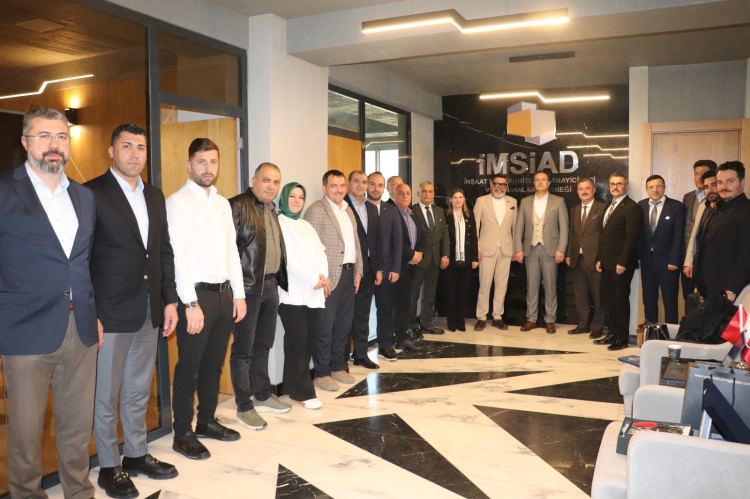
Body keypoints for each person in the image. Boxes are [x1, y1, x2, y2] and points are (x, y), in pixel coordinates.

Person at [0, 107, 99, 499]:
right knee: (25, 433)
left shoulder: (84, 196)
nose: (53, 144)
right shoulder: (4, 191)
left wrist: (95, 313)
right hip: (24, 330)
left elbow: (85, 261)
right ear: (25, 142)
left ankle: (79, 491)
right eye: (43, 136)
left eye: (61, 136)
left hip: (81, 327)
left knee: (77, 425)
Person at [87, 124, 179, 497]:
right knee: (106, 394)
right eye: (126, 146)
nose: (135, 153)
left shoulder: (154, 195)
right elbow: (83, 257)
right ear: (112, 151)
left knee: (139, 389)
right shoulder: (92, 193)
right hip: (109, 312)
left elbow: (162, 251)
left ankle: (137, 454)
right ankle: (109, 466)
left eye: (140, 147)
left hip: (149, 307)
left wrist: (169, 299)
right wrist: (90, 310)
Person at [167, 138, 247, 460]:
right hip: (196, 296)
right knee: (189, 367)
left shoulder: (223, 204)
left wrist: (239, 295)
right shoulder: (178, 202)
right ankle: (182, 432)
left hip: (224, 296)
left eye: (213, 161)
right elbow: (177, 256)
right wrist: (189, 303)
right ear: (189, 165)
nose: (208, 168)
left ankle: (207, 421)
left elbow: (232, 252)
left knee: (214, 365)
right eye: (201, 161)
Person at [229, 162, 291, 431]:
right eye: (266, 180)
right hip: (247, 289)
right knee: (243, 350)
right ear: (254, 180)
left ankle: (263, 395)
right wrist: (237, 293)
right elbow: (229, 251)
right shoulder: (237, 206)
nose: (271, 186)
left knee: (263, 344)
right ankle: (244, 406)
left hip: (270, 286)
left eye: (276, 182)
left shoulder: (271, 209)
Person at [304, 170, 363, 391]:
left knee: (343, 326)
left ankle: (338, 366)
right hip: (329, 278)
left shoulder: (347, 210)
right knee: (324, 327)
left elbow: (356, 243)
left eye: (341, 185)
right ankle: (322, 373)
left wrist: (359, 270)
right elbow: (311, 247)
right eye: (333, 185)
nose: (339, 190)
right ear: (324, 188)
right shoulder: (316, 210)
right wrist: (322, 275)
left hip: (349, 274)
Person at [276, 182, 327, 409]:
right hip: (293, 294)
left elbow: (321, 251)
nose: (296, 201)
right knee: (297, 342)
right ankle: (302, 392)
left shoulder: (305, 224)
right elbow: (288, 259)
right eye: (292, 196)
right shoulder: (280, 222)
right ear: (284, 198)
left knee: (307, 342)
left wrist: (324, 276)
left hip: (313, 293)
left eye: (300, 197)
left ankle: (290, 388)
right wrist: (313, 279)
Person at [513, 171, 569, 334]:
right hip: (530, 249)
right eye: (537, 180)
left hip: (550, 249)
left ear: (549, 183)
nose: (540, 182)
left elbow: (564, 227)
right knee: (532, 285)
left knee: (550, 286)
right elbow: (519, 227)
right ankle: (531, 318)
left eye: (543, 180)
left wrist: (561, 249)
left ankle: (550, 320)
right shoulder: (525, 202)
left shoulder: (558, 201)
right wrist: (518, 249)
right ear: (533, 183)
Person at [595, 172, 643, 351]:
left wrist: (622, 262)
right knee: (609, 301)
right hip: (606, 263)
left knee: (620, 301)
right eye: (612, 184)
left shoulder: (632, 208)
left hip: (621, 265)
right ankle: (612, 333)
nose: (615, 187)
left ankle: (622, 338)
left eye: (619, 184)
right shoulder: (610, 205)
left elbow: (632, 238)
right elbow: (604, 236)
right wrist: (600, 259)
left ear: (626, 186)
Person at [694, 161, 750, 301]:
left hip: (732, 294)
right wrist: (700, 287)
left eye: (730, 181)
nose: (724, 187)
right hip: (711, 291)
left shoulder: (746, 211)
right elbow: (704, 249)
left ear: (742, 182)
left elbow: (747, 257)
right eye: (720, 182)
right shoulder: (717, 210)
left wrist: (732, 290)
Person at [344, 170, 383, 369]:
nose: (361, 185)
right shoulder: (342, 206)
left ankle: (360, 354)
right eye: (356, 181)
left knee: (362, 314)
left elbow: (376, 241)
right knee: (344, 316)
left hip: (368, 269)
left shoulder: (372, 209)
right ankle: (341, 359)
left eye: (364, 182)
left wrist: (378, 268)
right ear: (348, 183)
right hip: (348, 269)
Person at [637, 175, 685, 325]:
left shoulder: (676, 207)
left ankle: (670, 335)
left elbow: (679, 236)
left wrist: (674, 260)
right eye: (651, 187)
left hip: (668, 263)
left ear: (664, 188)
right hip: (647, 262)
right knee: (649, 301)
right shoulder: (641, 205)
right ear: (646, 189)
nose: (655, 190)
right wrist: (638, 257)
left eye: (658, 186)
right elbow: (639, 234)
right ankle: (651, 335)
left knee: (670, 303)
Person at [473, 174, 516, 331]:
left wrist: (515, 249)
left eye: (503, 185)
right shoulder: (481, 201)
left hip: (506, 249)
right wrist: (477, 248)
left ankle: (497, 316)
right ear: (491, 185)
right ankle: (481, 317)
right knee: (485, 284)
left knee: (502, 285)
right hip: (486, 249)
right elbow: (475, 226)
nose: (500, 187)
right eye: (497, 184)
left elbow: (516, 227)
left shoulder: (513, 202)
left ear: (507, 186)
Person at [368, 172, 403, 362]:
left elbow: (397, 240)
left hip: (388, 269)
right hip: (365, 269)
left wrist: (396, 268)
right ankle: (357, 352)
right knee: (360, 313)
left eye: (380, 185)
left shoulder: (391, 210)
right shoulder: (359, 208)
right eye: (372, 184)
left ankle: (385, 346)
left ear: (384, 189)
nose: (376, 188)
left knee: (385, 309)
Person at [565, 178, 606, 338]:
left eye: (587, 188)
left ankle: (598, 326)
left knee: (598, 295)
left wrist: (601, 258)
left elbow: (605, 235)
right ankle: (583, 324)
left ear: (594, 190)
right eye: (581, 189)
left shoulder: (602, 208)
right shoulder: (574, 209)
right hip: (577, 258)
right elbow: (572, 234)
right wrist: (569, 253)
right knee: (580, 295)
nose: (584, 191)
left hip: (595, 259)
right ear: (577, 192)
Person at [408, 181, 450, 336]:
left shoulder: (439, 211)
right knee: (413, 295)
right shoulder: (412, 210)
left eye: (430, 191)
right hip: (418, 260)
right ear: (418, 193)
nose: (427, 194)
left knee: (430, 295)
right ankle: (411, 326)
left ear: (433, 194)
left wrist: (445, 255)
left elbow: (444, 234)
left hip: (435, 260)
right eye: (424, 191)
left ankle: (426, 324)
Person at [393, 183, 426, 351]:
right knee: (391, 307)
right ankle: (388, 340)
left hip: (410, 268)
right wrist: (411, 255)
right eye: (401, 193)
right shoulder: (391, 214)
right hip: (395, 268)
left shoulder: (413, 214)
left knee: (404, 306)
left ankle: (402, 338)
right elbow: (393, 241)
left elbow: (423, 236)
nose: (405, 196)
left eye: (408, 193)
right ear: (394, 195)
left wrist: (418, 254)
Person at [681, 160, 717, 301]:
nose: (699, 177)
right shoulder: (688, 197)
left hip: (707, 259)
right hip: (688, 255)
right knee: (690, 298)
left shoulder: (718, 200)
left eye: (703, 173)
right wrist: (687, 261)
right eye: (696, 173)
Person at [444, 188, 478, 332]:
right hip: (450, 260)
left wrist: (474, 258)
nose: (458, 200)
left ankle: (460, 321)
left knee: (463, 292)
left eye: (460, 197)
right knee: (450, 293)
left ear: (464, 199)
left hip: (466, 259)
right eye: (455, 197)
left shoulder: (469, 215)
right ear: (450, 200)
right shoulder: (445, 215)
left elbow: (474, 237)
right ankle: (451, 322)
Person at [683, 170, 720, 280]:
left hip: (718, 266)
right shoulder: (703, 205)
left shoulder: (728, 209)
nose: (710, 190)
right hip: (700, 263)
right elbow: (694, 235)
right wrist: (688, 262)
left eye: (714, 185)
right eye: (706, 187)